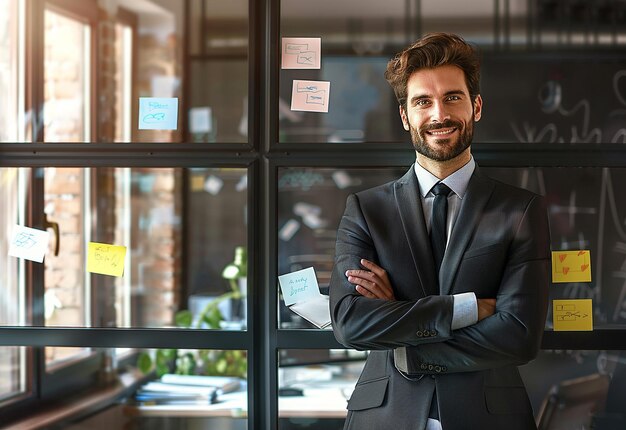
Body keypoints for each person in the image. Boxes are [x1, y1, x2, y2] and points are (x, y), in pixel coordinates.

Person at [329, 32, 551, 430]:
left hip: (488, 417)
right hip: (385, 415)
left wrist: (402, 333)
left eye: (452, 97)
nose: (438, 114)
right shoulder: (365, 210)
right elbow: (351, 322)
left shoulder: (520, 210)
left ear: (476, 106)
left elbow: (518, 334)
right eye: (422, 101)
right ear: (405, 116)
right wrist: (466, 308)